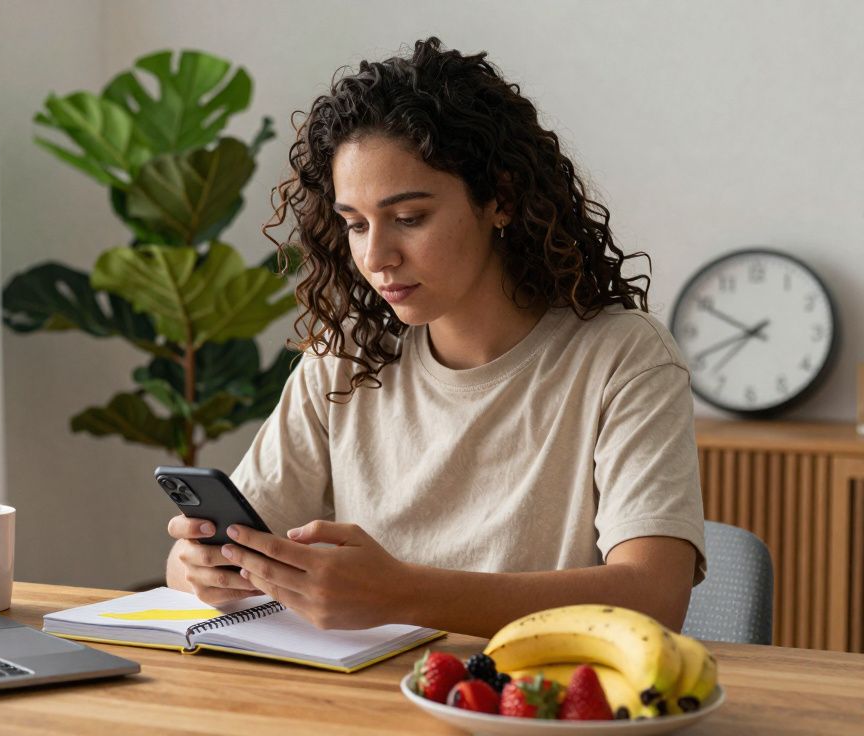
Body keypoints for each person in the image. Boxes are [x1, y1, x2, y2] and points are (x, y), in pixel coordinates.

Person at [163, 37, 706, 638]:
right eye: (356, 224)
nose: (377, 256)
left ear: (500, 199)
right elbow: (189, 568)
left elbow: (653, 598)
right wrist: (202, 567)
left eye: (409, 218)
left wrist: (401, 594)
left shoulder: (624, 358)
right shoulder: (344, 360)